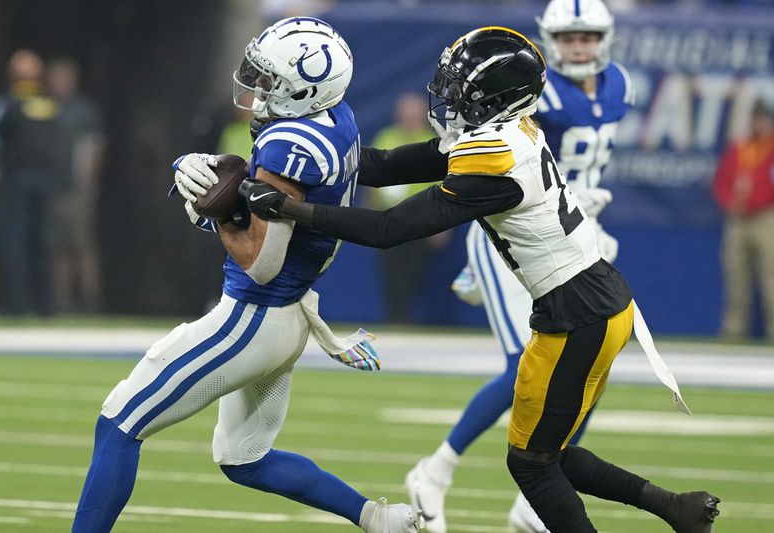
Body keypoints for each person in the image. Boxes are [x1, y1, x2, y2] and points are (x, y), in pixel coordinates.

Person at [242, 25, 720, 533]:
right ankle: (676, 508)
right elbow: (379, 166)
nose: (447, 98)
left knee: (531, 465)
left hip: (578, 314)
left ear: (496, 99)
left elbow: (388, 228)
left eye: (460, 91)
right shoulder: (507, 132)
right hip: (600, 303)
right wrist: (301, 142)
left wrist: (298, 211)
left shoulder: (495, 158)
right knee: (548, 454)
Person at [72, 17, 421, 533]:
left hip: (255, 316)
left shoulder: (291, 145)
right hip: (291, 317)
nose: (258, 90)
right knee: (244, 459)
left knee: (119, 423)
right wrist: (232, 200)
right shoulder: (337, 116)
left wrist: (212, 210)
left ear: (305, 89)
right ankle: (377, 518)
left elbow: (260, 264)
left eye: (270, 80)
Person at [405, 1, 633, 530]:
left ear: (606, 39)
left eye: (589, 37)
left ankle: (538, 495)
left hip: (571, 233)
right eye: (570, 38)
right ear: (551, 40)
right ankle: (434, 472)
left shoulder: (619, 84)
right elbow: (487, 158)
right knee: (521, 371)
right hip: (517, 232)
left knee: (589, 368)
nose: (580, 47)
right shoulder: (535, 92)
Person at [0, 49, 62, 316]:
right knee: (34, 242)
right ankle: (34, 306)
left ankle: (27, 306)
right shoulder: (48, 104)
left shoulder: (10, 103)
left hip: (23, 181)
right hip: (33, 180)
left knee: (25, 243)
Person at [370, 92, 445, 323]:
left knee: (415, 270)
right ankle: (395, 315)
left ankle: (406, 316)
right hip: (388, 218)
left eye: (414, 113)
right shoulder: (386, 137)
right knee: (391, 270)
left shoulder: (433, 142)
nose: (410, 117)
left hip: (420, 219)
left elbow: (445, 187)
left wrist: (442, 227)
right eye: (406, 112)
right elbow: (371, 174)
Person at [46, 57, 106, 313]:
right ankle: (63, 301)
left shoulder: (84, 111)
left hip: (79, 187)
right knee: (57, 246)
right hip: (52, 186)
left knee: (82, 244)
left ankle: (91, 300)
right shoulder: (45, 108)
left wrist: (87, 181)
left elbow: (95, 147)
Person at [712, 99, 774, 341]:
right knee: (736, 276)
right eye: (755, 118)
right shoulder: (739, 148)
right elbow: (721, 182)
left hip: (765, 218)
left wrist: (754, 202)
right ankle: (734, 330)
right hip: (737, 219)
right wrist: (731, 202)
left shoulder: (770, 149)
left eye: (763, 119)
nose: (758, 124)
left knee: (771, 276)